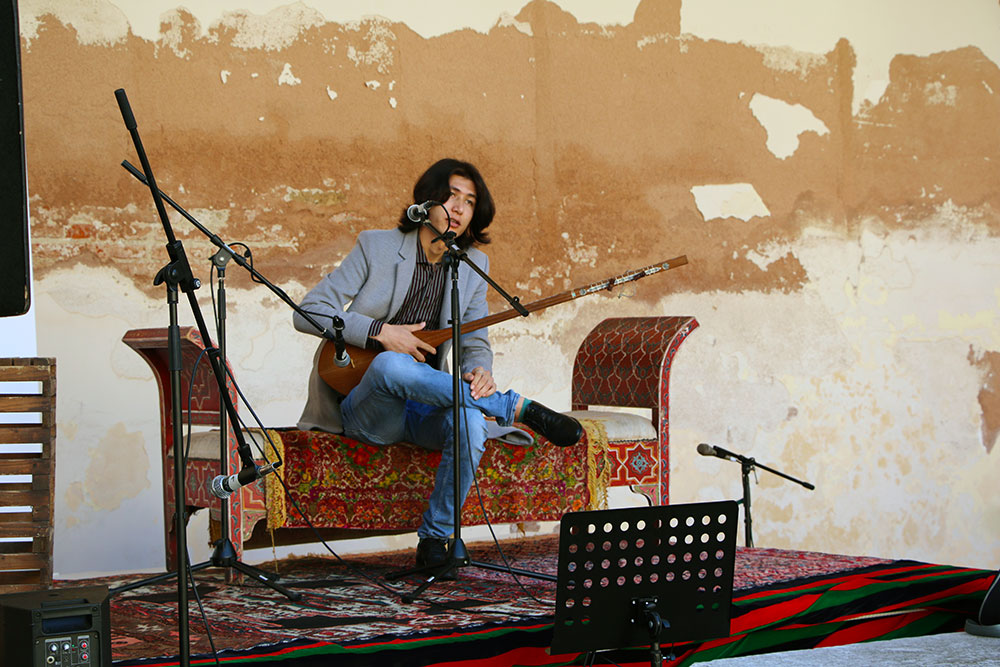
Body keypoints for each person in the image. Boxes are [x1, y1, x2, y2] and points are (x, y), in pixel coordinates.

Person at [292, 158, 583, 571]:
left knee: (468, 421)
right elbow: (307, 312)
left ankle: (435, 539)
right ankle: (510, 407)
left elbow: (475, 340)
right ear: (426, 201)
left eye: (469, 202)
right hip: (368, 407)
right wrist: (379, 331)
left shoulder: (471, 267)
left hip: (427, 403)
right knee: (391, 365)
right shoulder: (375, 246)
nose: (460, 209)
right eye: (451, 197)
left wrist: (480, 371)